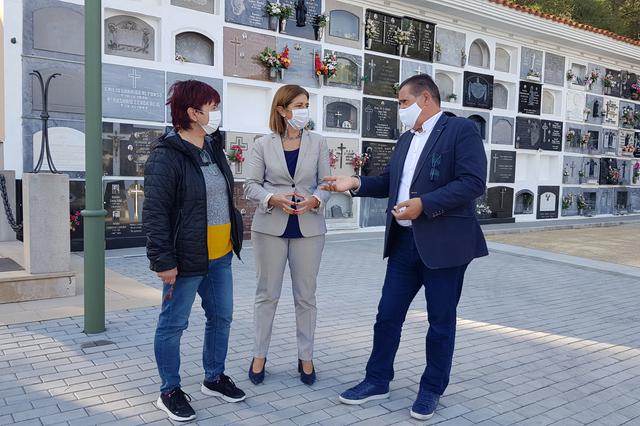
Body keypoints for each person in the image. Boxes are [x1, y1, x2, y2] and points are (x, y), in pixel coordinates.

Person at [322, 74, 488, 421]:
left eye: (402, 103)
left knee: (440, 322)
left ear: (425, 99)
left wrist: (424, 204)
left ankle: (431, 389)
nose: (400, 110)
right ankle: (377, 379)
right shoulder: (406, 139)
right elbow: (389, 182)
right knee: (387, 316)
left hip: (443, 246)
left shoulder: (460, 132)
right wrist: (354, 182)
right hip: (403, 244)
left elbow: (472, 183)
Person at [143, 80, 245, 422]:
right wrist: (163, 261)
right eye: (211, 107)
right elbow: (155, 213)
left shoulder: (212, 146)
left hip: (220, 256)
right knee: (173, 325)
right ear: (192, 112)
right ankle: (169, 390)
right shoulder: (166, 155)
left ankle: (214, 377)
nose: (215, 114)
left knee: (222, 317)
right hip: (185, 260)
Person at [244, 84, 330, 386]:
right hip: (270, 229)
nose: (304, 110)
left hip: (309, 229)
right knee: (266, 295)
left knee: (306, 297)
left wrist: (316, 200)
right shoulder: (262, 144)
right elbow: (250, 184)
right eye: (298, 105)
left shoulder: (319, 143)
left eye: (306, 104)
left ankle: (306, 357)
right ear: (282, 109)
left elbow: (326, 183)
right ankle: (259, 355)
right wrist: (272, 198)